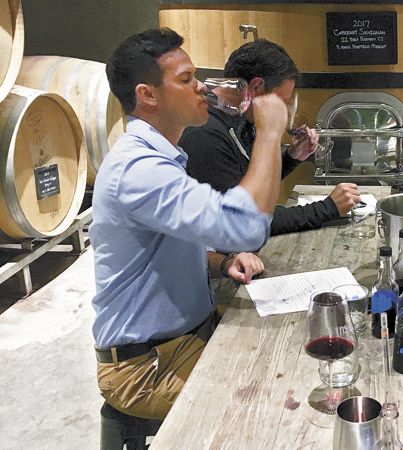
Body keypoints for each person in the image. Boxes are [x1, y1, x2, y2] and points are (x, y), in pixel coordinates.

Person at [91, 28, 288, 420]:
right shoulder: (139, 170)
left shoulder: (164, 156)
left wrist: (218, 263)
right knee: (270, 405)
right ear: (147, 95)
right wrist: (270, 132)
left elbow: (160, 252)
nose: (201, 88)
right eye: (186, 80)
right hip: (147, 367)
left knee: (287, 354)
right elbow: (245, 228)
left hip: (186, 339)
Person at [181, 39, 361, 235]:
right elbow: (251, 218)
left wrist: (292, 157)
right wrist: (329, 208)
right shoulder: (205, 134)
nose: (283, 110)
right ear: (257, 86)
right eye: (281, 101)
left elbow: (252, 181)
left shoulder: (241, 118)